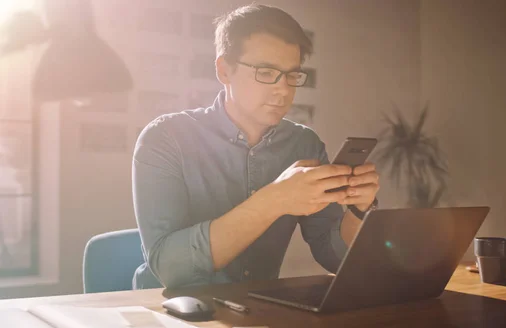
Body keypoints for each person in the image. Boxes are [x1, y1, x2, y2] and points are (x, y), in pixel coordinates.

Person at [132, 3, 380, 289]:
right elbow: (171, 270)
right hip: (171, 313)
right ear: (224, 70)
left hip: (258, 310)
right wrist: (274, 200)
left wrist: (360, 210)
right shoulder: (165, 138)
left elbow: (333, 256)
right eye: (266, 72)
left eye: (292, 75)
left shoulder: (304, 145)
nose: (284, 90)